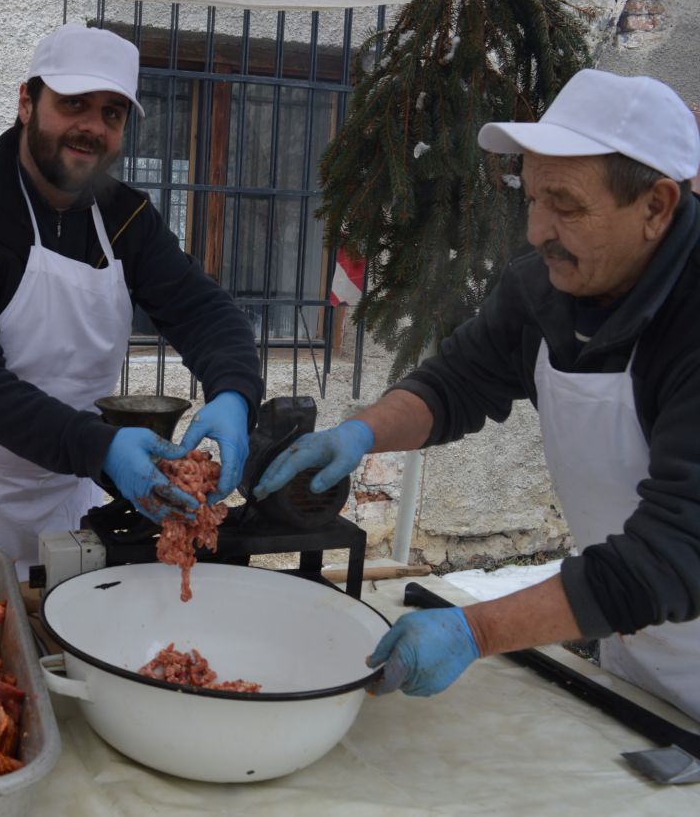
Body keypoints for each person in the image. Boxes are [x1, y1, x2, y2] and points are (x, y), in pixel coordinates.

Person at [256, 69, 700, 720]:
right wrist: (361, 433)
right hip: (632, 648)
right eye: (534, 197)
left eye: (566, 205)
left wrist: (479, 630)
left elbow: (678, 551)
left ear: (656, 207)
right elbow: (456, 381)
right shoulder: (547, 285)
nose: (537, 230)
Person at [0, 23, 263, 578]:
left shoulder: (127, 218)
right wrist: (100, 449)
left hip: (65, 483)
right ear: (26, 103)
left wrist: (234, 393)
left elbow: (203, 311)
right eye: (74, 104)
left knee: (66, 615)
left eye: (112, 113)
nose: (92, 127)